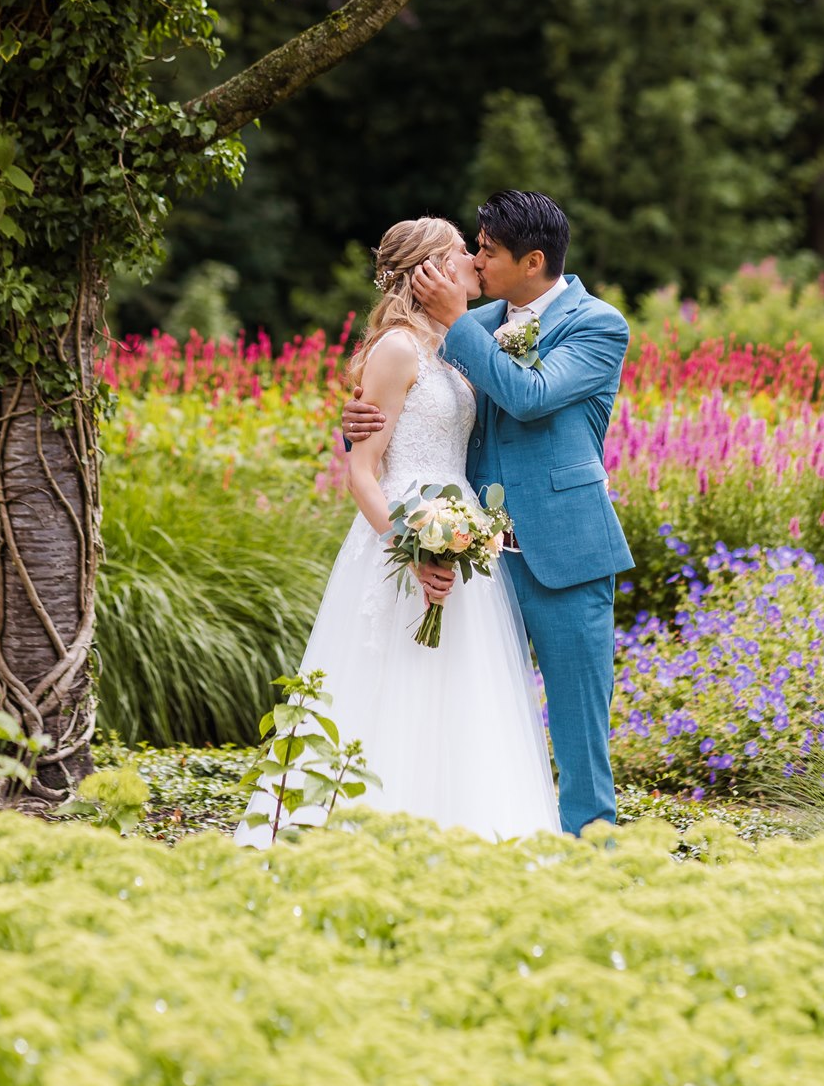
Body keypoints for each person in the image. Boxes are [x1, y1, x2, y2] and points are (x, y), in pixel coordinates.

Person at [236, 213, 559, 845]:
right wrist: (408, 549)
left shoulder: (460, 346)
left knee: (461, 691)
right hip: (402, 532)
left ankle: (459, 832)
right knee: (395, 682)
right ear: (430, 269)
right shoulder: (397, 349)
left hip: (461, 533)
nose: (474, 259)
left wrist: (459, 535)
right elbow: (361, 471)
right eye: (461, 250)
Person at [343, 191, 632, 836]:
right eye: (474, 247)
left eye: (488, 251)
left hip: (564, 552)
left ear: (533, 262)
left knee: (579, 731)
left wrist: (458, 323)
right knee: (471, 717)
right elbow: (421, 409)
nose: (475, 261)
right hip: (474, 557)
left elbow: (529, 396)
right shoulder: (471, 320)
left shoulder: (598, 325)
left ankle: (593, 860)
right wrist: (359, 423)